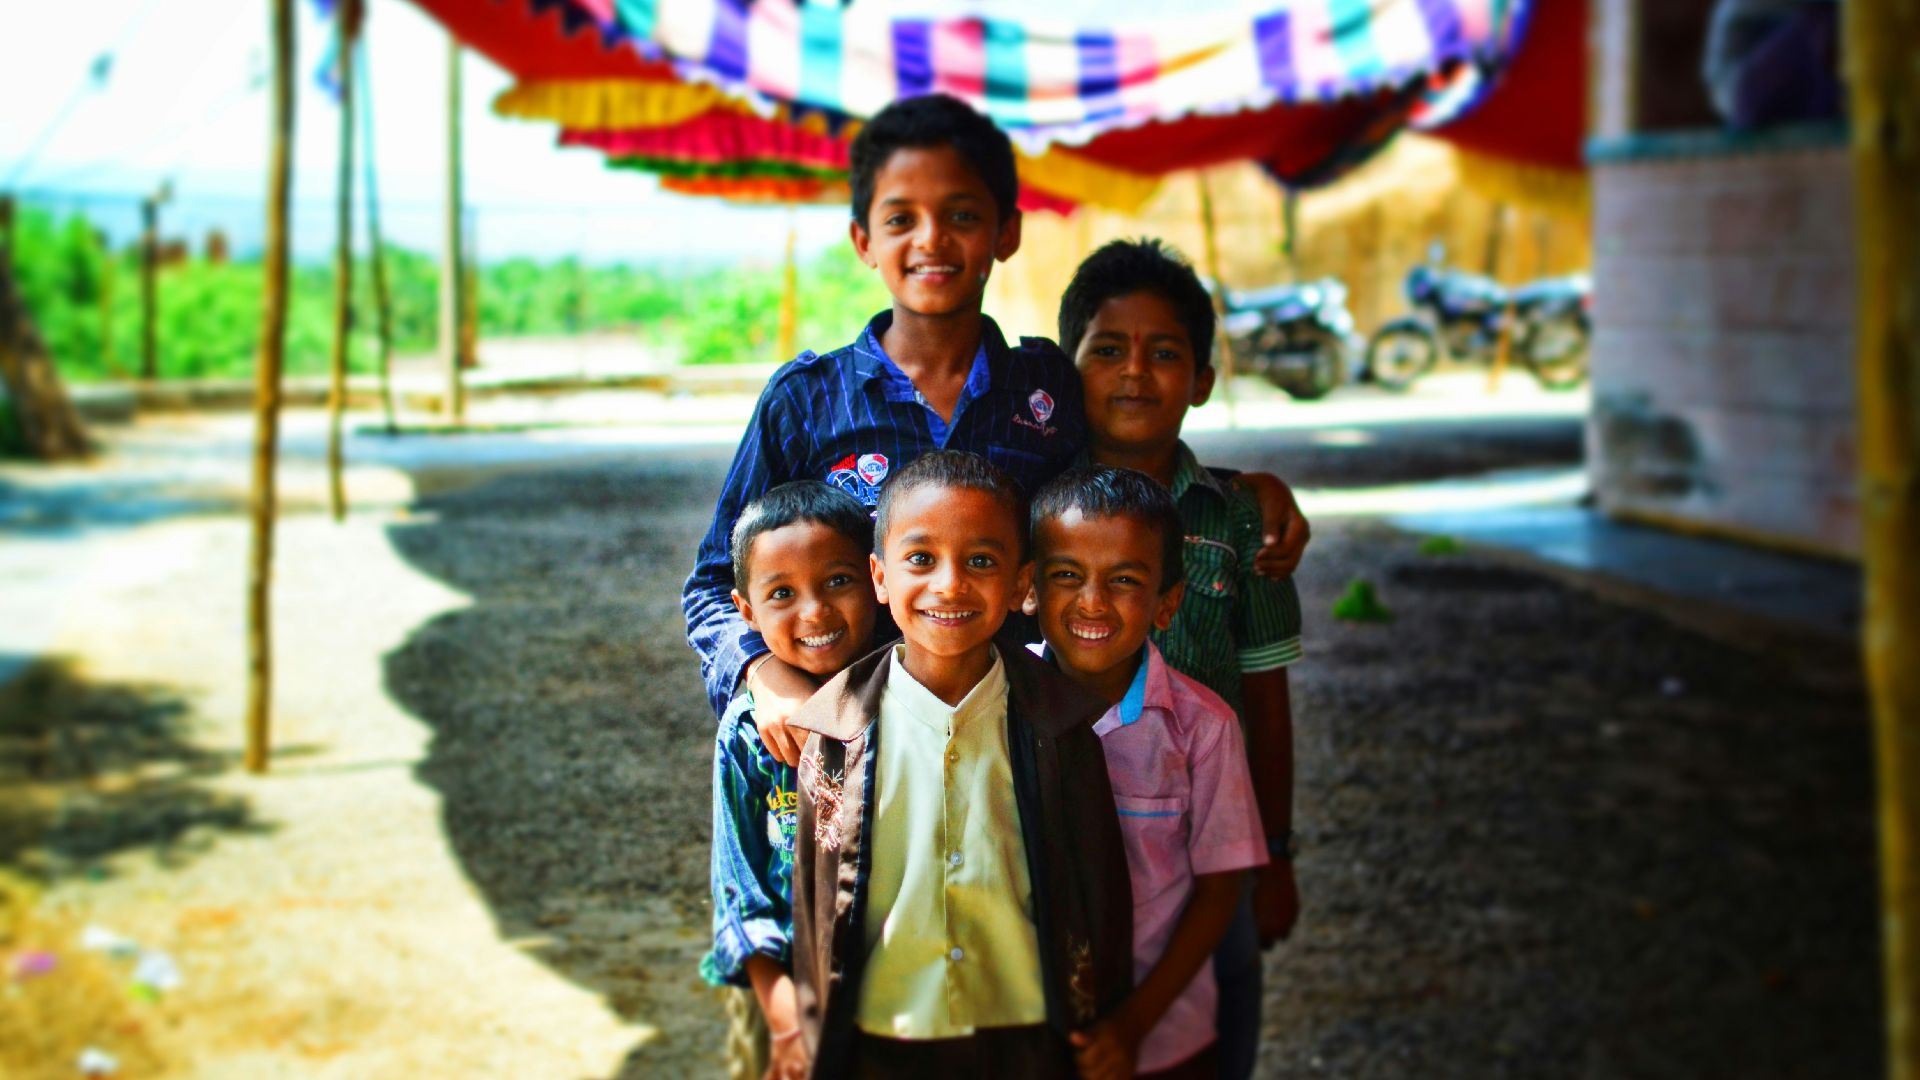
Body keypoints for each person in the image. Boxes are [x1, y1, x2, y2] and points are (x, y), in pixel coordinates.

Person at [682, 93, 1310, 774]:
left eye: (961, 215)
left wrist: (1243, 490)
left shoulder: (1045, 389)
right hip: (851, 757)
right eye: (901, 218)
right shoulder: (806, 401)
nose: (931, 239)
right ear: (863, 239)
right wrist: (761, 674)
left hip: (1014, 759)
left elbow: (1125, 473)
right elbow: (717, 579)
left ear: (1005, 233)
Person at [786, 451, 1134, 1079]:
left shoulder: (1058, 728)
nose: (949, 584)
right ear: (880, 576)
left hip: (1029, 1037)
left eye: (981, 561)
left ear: (1022, 584)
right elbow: (813, 911)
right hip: (881, 1038)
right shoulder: (834, 735)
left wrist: (1106, 1019)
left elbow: (1101, 894)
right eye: (920, 559)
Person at [1058, 239, 1306, 1080]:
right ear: (1068, 368)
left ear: (1201, 378)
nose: (1135, 373)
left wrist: (1274, 854)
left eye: (1165, 353)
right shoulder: (1037, 509)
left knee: (1216, 1016)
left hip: (1213, 846)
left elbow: (1266, 700)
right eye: (1108, 350)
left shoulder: (1239, 522)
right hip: (1074, 833)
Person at [1028, 466, 1268, 1080]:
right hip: (1028, 1031)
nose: (1092, 601)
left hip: (1162, 1036)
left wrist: (1135, 1023)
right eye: (1066, 576)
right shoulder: (999, 701)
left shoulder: (1202, 729)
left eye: (1125, 581)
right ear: (1029, 588)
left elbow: (1220, 890)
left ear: (1167, 604)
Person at [701, 481, 880, 1080]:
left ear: (877, 580)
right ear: (746, 611)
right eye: (782, 593)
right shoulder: (747, 734)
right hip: (782, 998)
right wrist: (785, 1023)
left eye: (837, 581)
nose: (815, 612)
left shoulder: (909, 699)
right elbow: (740, 892)